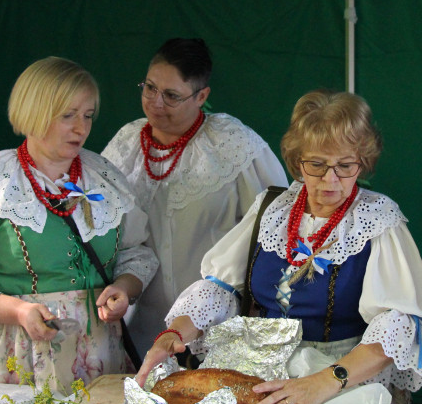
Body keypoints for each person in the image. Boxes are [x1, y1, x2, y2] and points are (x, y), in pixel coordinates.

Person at [135, 89, 422, 404]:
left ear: (362, 161)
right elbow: (219, 288)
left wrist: (323, 382)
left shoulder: (377, 220)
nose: (330, 179)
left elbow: (397, 324)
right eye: (317, 165)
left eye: (345, 166)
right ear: (298, 160)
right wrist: (175, 334)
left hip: (338, 384)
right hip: (256, 374)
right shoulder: (273, 207)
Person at [0, 57, 158, 393]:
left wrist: (124, 287)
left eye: (88, 115)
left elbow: (136, 252)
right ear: (35, 112)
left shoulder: (104, 178)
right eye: (68, 115)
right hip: (18, 355)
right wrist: (18, 311)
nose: (81, 128)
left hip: (99, 356)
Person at [102, 38, 287, 355]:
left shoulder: (233, 144)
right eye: (150, 88)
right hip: (138, 326)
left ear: (202, 96)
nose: (156, 103)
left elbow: (278, 223)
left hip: (214, 327)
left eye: (171, 96)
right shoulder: (126, 142)